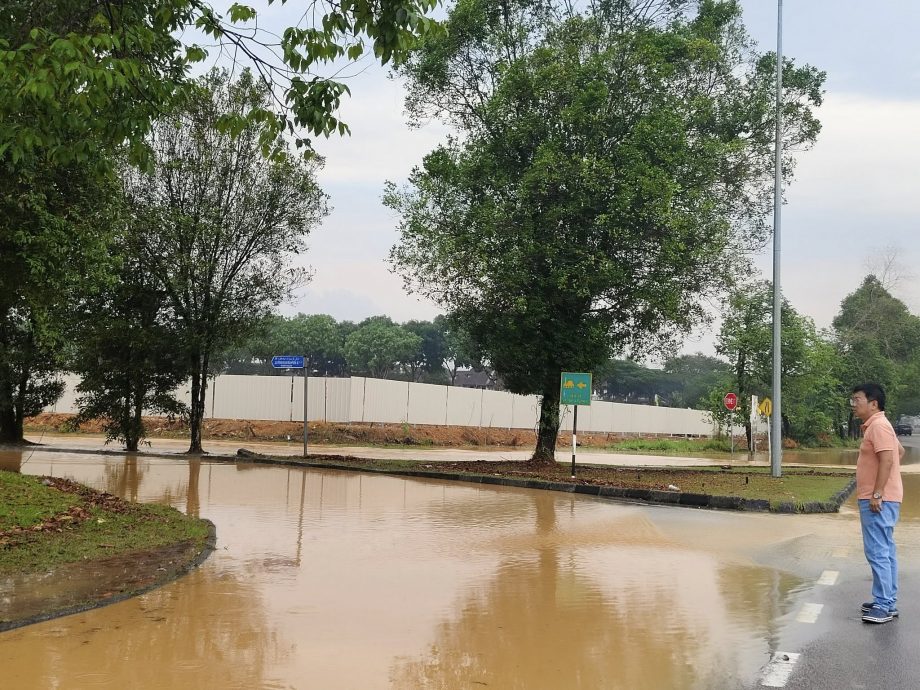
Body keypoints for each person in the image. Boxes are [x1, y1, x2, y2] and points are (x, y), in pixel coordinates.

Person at [850, 383, 905, 624]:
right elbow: (898, 452)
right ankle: (887, 601)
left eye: (857, 399)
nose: (854, 404)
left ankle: (883, 604)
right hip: (885, 497)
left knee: (878, 552)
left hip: (878, 499)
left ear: (874, 403)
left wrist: (877, 492)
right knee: (885, 550)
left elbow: (889, 459)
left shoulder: (878, 426)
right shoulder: (880, 426)